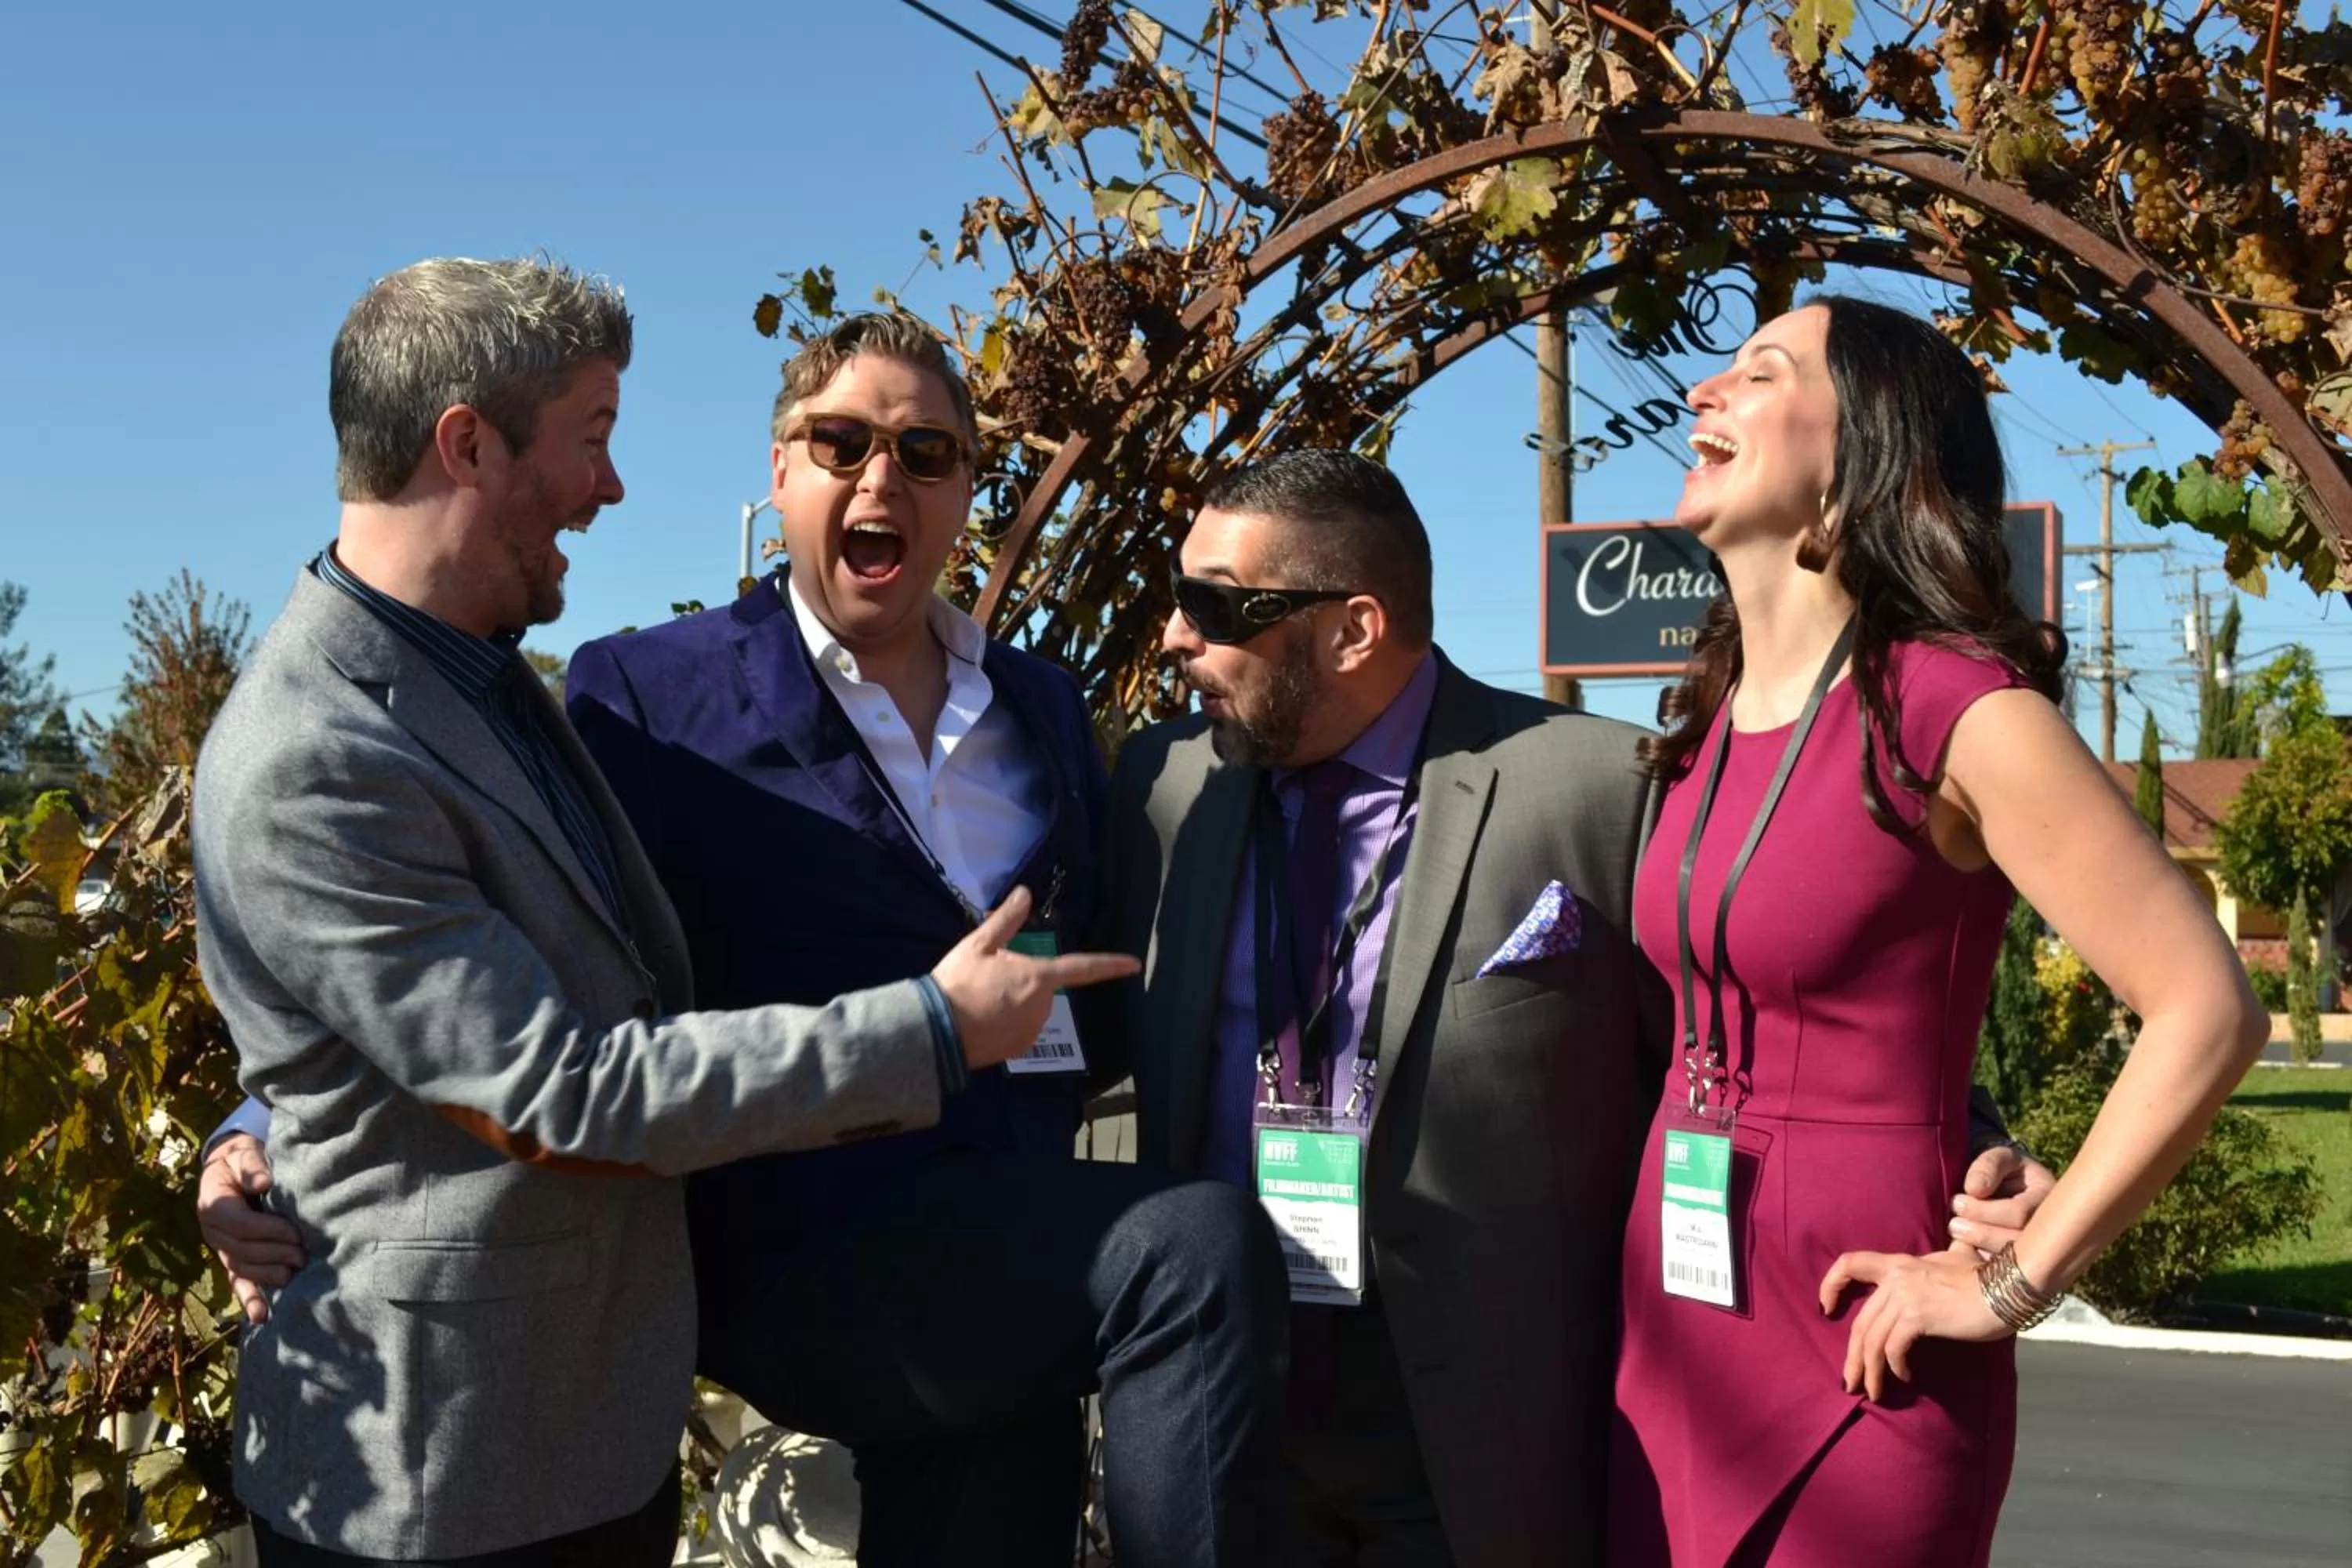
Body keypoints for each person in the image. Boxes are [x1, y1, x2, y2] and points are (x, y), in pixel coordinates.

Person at [205, 307, 1289, 1568]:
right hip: (799, 1241)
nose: (882, 477)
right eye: (841, 444)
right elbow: (505, 966)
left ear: (966, 493)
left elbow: (1085, 970)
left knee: (1014, 1481)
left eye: (926, 454)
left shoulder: (1039, 704)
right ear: (781, 474)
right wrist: (262, 1124)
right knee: (1192, 1249)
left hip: (1012, 1238)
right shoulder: (648, 694)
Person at [1083, 450, 2055, 1568]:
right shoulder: (1164, 788)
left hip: (1467, 1434)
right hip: (1220, 1406)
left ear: (1353, 629)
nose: (1172, 636)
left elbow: (1766, 1020)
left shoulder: (1602, 786)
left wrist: (1978, 1149)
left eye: (1214, 606)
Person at [1603, 297, 2270, 1568]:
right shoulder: (1701, 723)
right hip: (1673, 1328)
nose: (1705, 394)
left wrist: (2019, 1278)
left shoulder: (1955, 707)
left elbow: (2208, 1007)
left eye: (1761, 372)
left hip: (1868, 1329)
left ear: (1868, 453)